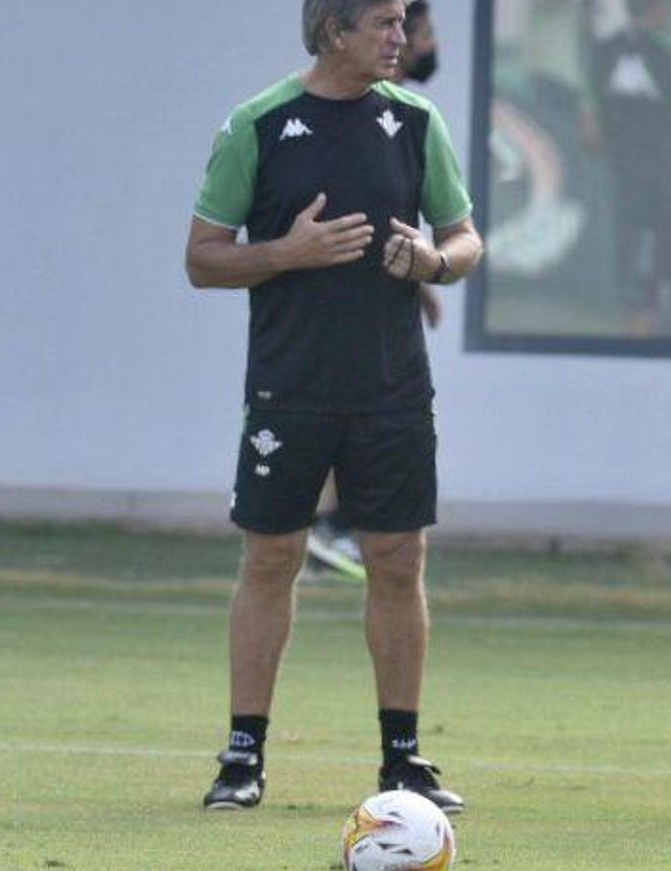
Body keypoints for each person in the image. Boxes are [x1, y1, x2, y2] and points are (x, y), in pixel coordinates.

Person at [184, 0, 483, 814]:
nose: (402, 38)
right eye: (385, 22)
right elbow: (202, 259)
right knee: (272, 560)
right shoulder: (259, 123)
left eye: (402, 21)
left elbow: (465, 240)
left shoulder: (419, 122)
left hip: (392, 390)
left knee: (397, 561)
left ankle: (403, 759)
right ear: (334, 29)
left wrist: (432, 259)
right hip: (289, 387)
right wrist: (288, 252)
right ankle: (243, 754)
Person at [306, 0, 442, 581]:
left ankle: (341, 527)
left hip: (387, 298)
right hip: (326, 305)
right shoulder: (348, 100)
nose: (417, 40)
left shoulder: (411, 113)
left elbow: (400, 215)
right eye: (413, 29)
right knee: (339, 396)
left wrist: (427, 272)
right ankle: (331, 527)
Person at [585, 0, 671, 338]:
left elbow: (591, 134)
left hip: (630, 196)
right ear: (659, 8)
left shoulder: (601, 55)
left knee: (637, 298)